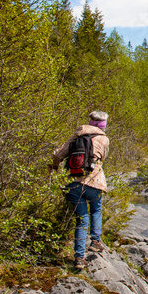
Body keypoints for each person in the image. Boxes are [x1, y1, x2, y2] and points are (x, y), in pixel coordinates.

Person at [51, 110, 110, 269]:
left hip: (74, 182)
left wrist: (55, 168)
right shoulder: (104, 140)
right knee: (96, 209)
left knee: (81, 218)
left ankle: (78, 258)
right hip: (94, 181)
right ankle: (95, 241)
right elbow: (102, 158)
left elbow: (58, 154)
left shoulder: (76, 136)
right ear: (103, 125)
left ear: (90, 121)